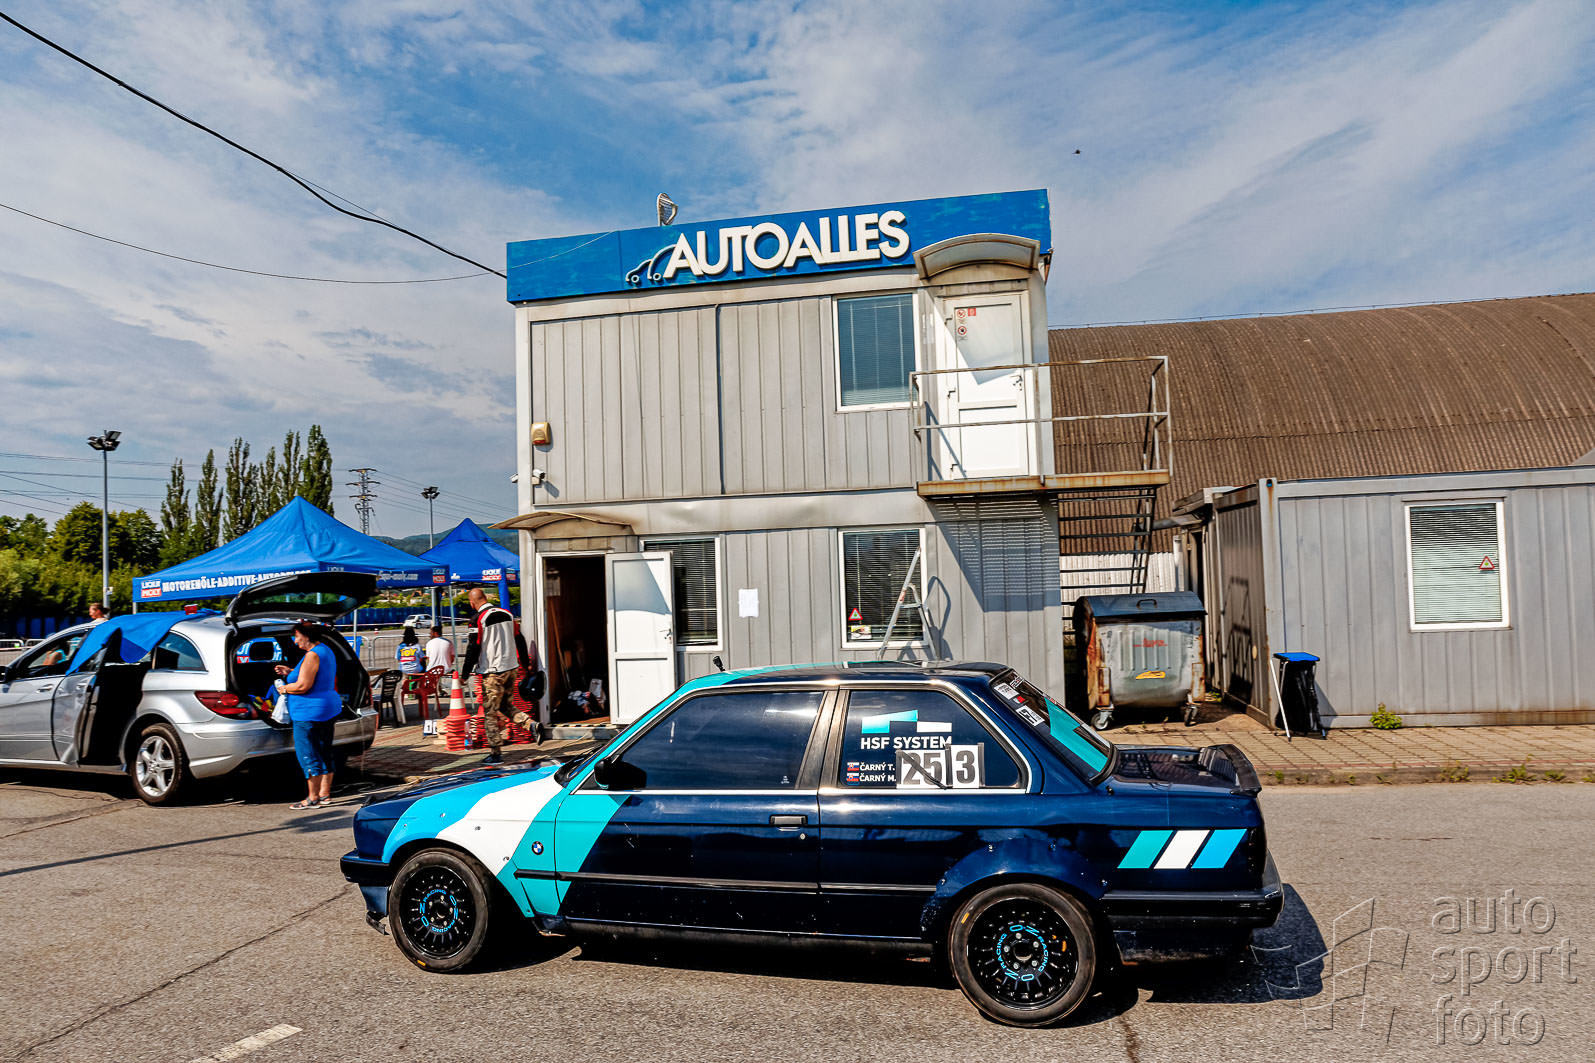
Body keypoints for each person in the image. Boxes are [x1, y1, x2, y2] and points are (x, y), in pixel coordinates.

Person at [459, 588, 531, 764]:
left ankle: (496, 753)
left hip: (492, 672)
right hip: (511, 668)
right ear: (485, 597)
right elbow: (520, 639)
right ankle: (532, 725)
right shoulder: (508, 614)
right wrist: (525, 663)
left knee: (490, 713)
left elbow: (473, 647)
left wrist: (465, 674)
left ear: (472, 603)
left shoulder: (477, 619)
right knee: (505, 706)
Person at [275, 621, 342, 809]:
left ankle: (312, 798)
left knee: (308, 753)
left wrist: (284, 688)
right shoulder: (325, 650)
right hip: (328, 707)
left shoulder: (312, 655)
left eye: (297, 637)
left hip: (309, 711)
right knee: (324, 750)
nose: (295, 641)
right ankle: (324, 794)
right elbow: (315, 676)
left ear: (306, 635)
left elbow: (304, 686)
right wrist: (290, 672)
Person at [394, 626, 429, 720]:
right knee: (422, 667)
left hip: (404, 669)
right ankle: (418, 687)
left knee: (406, 676)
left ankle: (405, 690)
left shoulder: (400, 646)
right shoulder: (417, 646)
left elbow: (398, 658)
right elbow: (422, 657)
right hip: (416, 670)